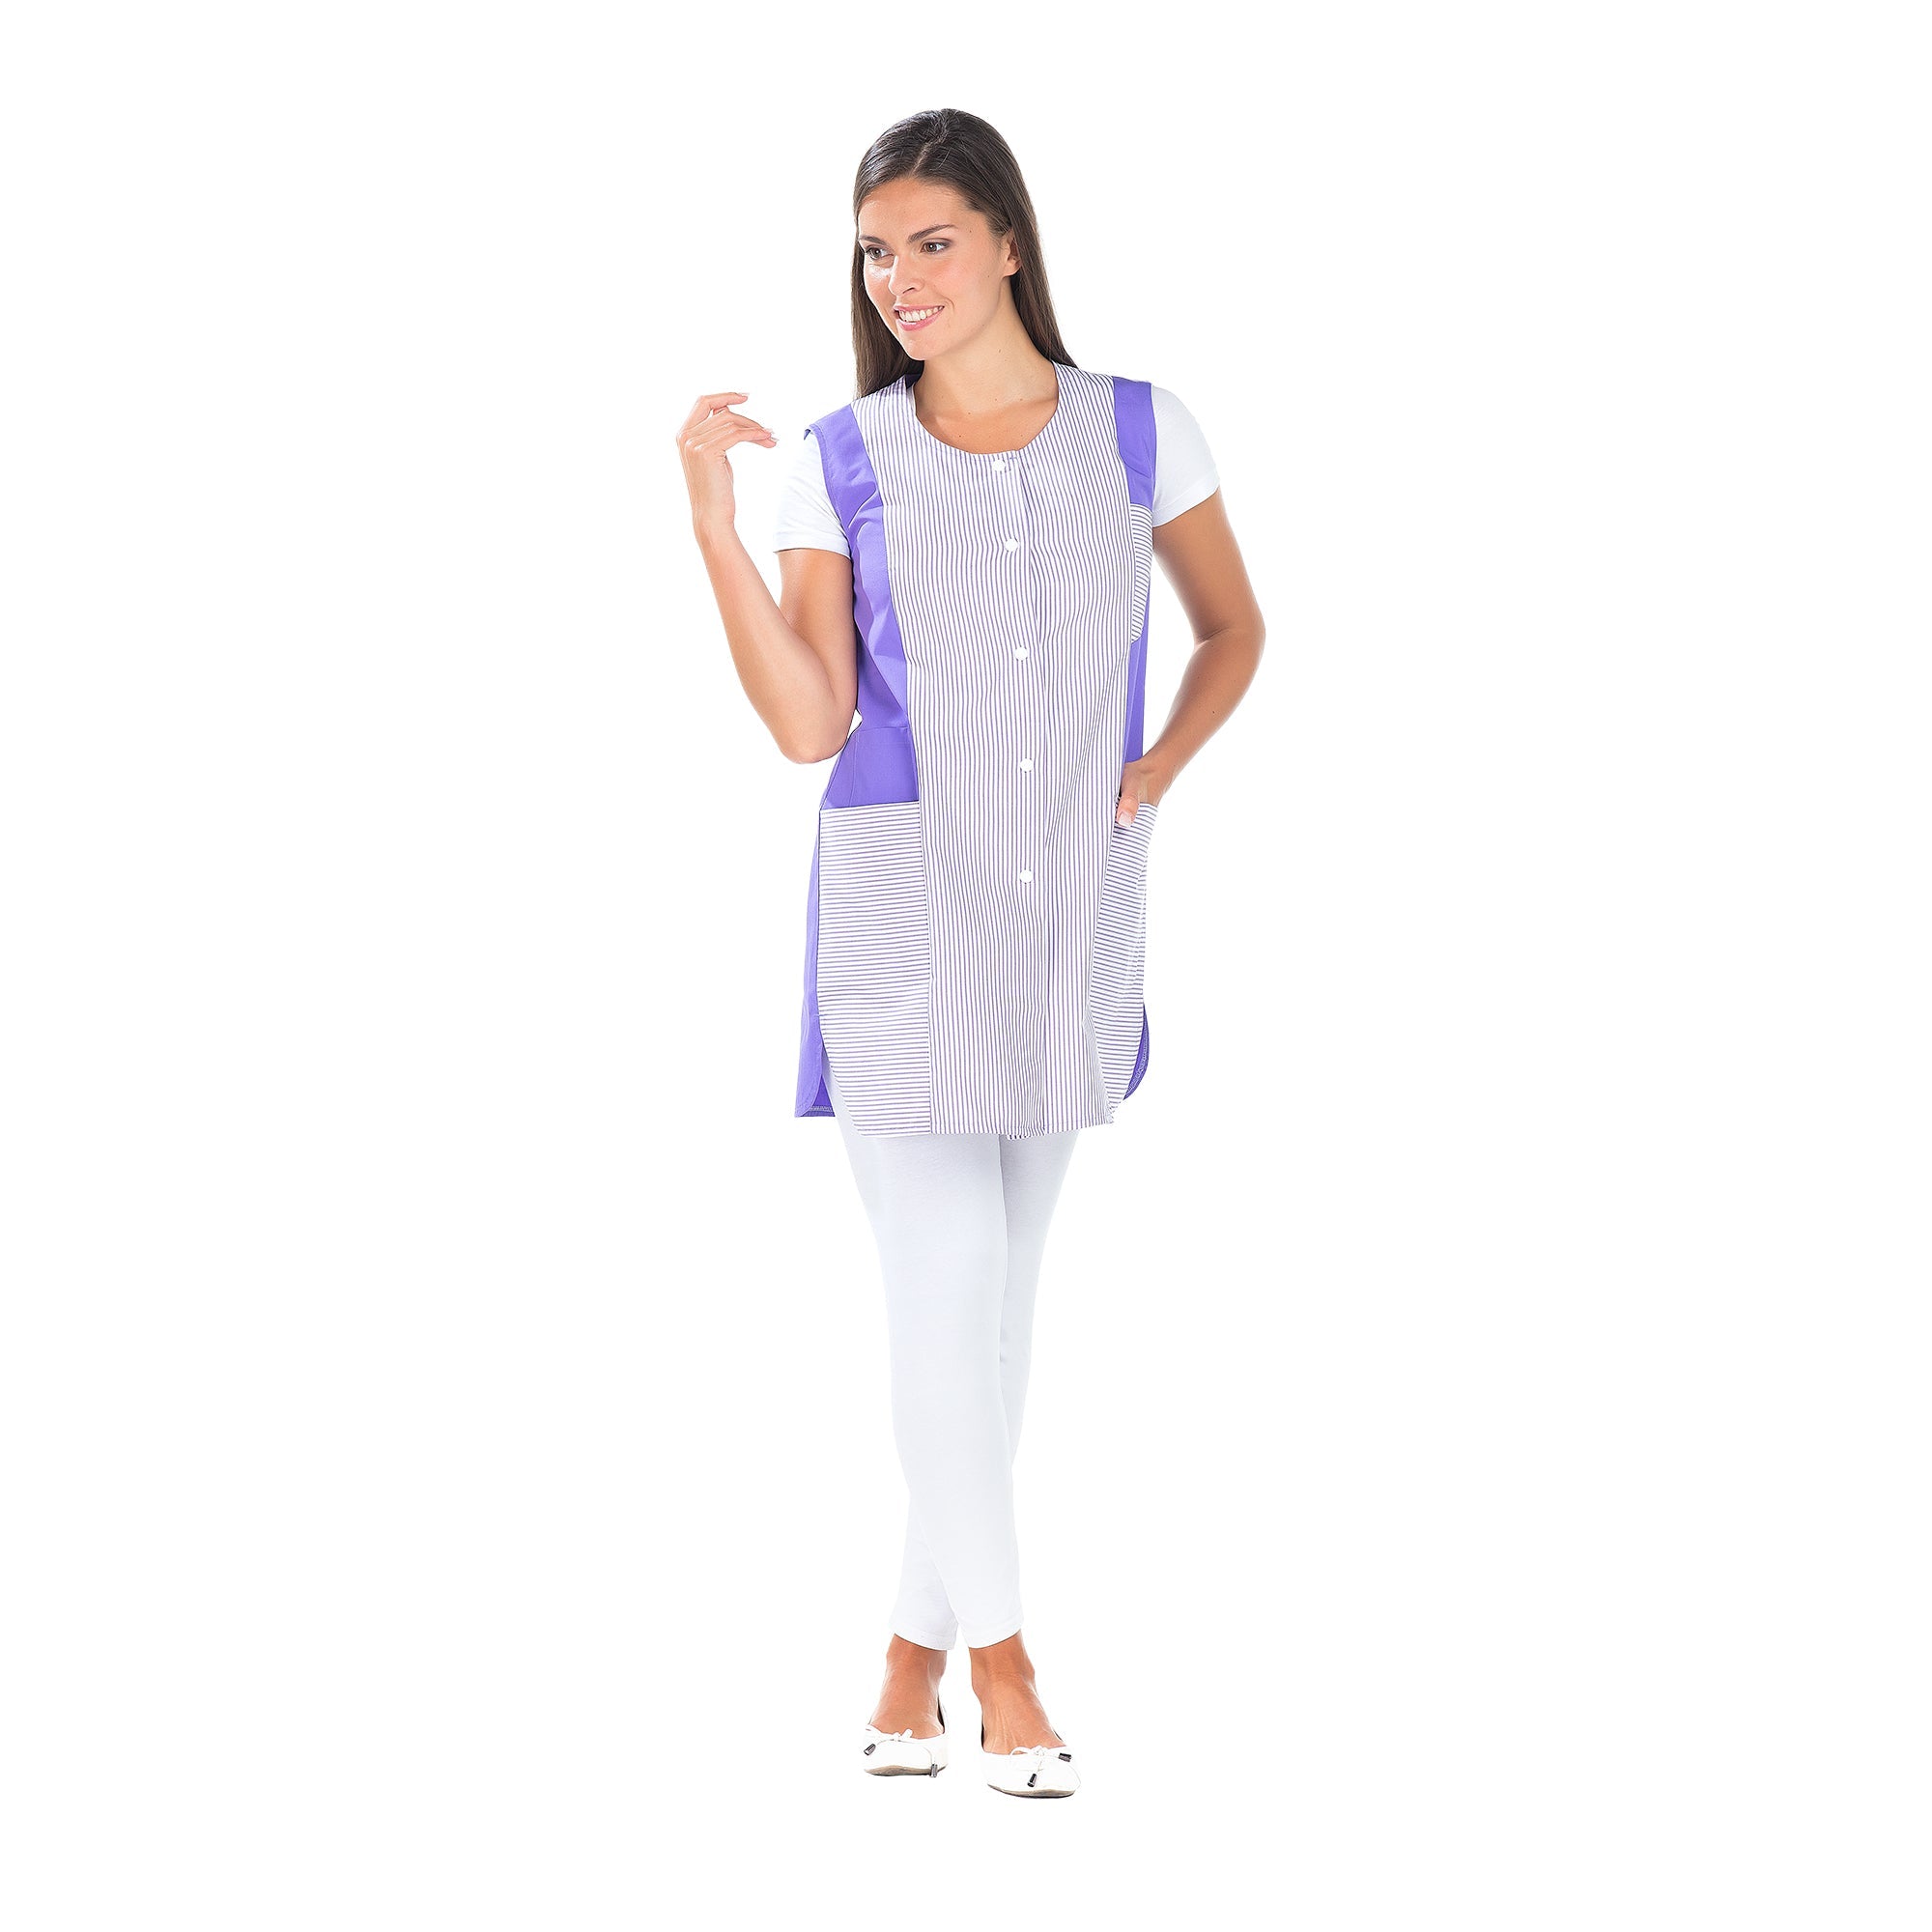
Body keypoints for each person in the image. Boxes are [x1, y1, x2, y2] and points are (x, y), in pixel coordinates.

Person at [678, 108, 1264, 1798]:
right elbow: (810, 721)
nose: (900, 277)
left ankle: (908, 1651)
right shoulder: (841, 458)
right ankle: (1007, 1668)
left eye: (932, 240)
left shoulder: (1142, 430)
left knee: (998, 1309)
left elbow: (1233, 627)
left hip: (1074, 917)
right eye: (877, 251)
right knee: (945, 1287)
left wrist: (1157, 768)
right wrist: (713, 520)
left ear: (1010, 241)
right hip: (901, 912)